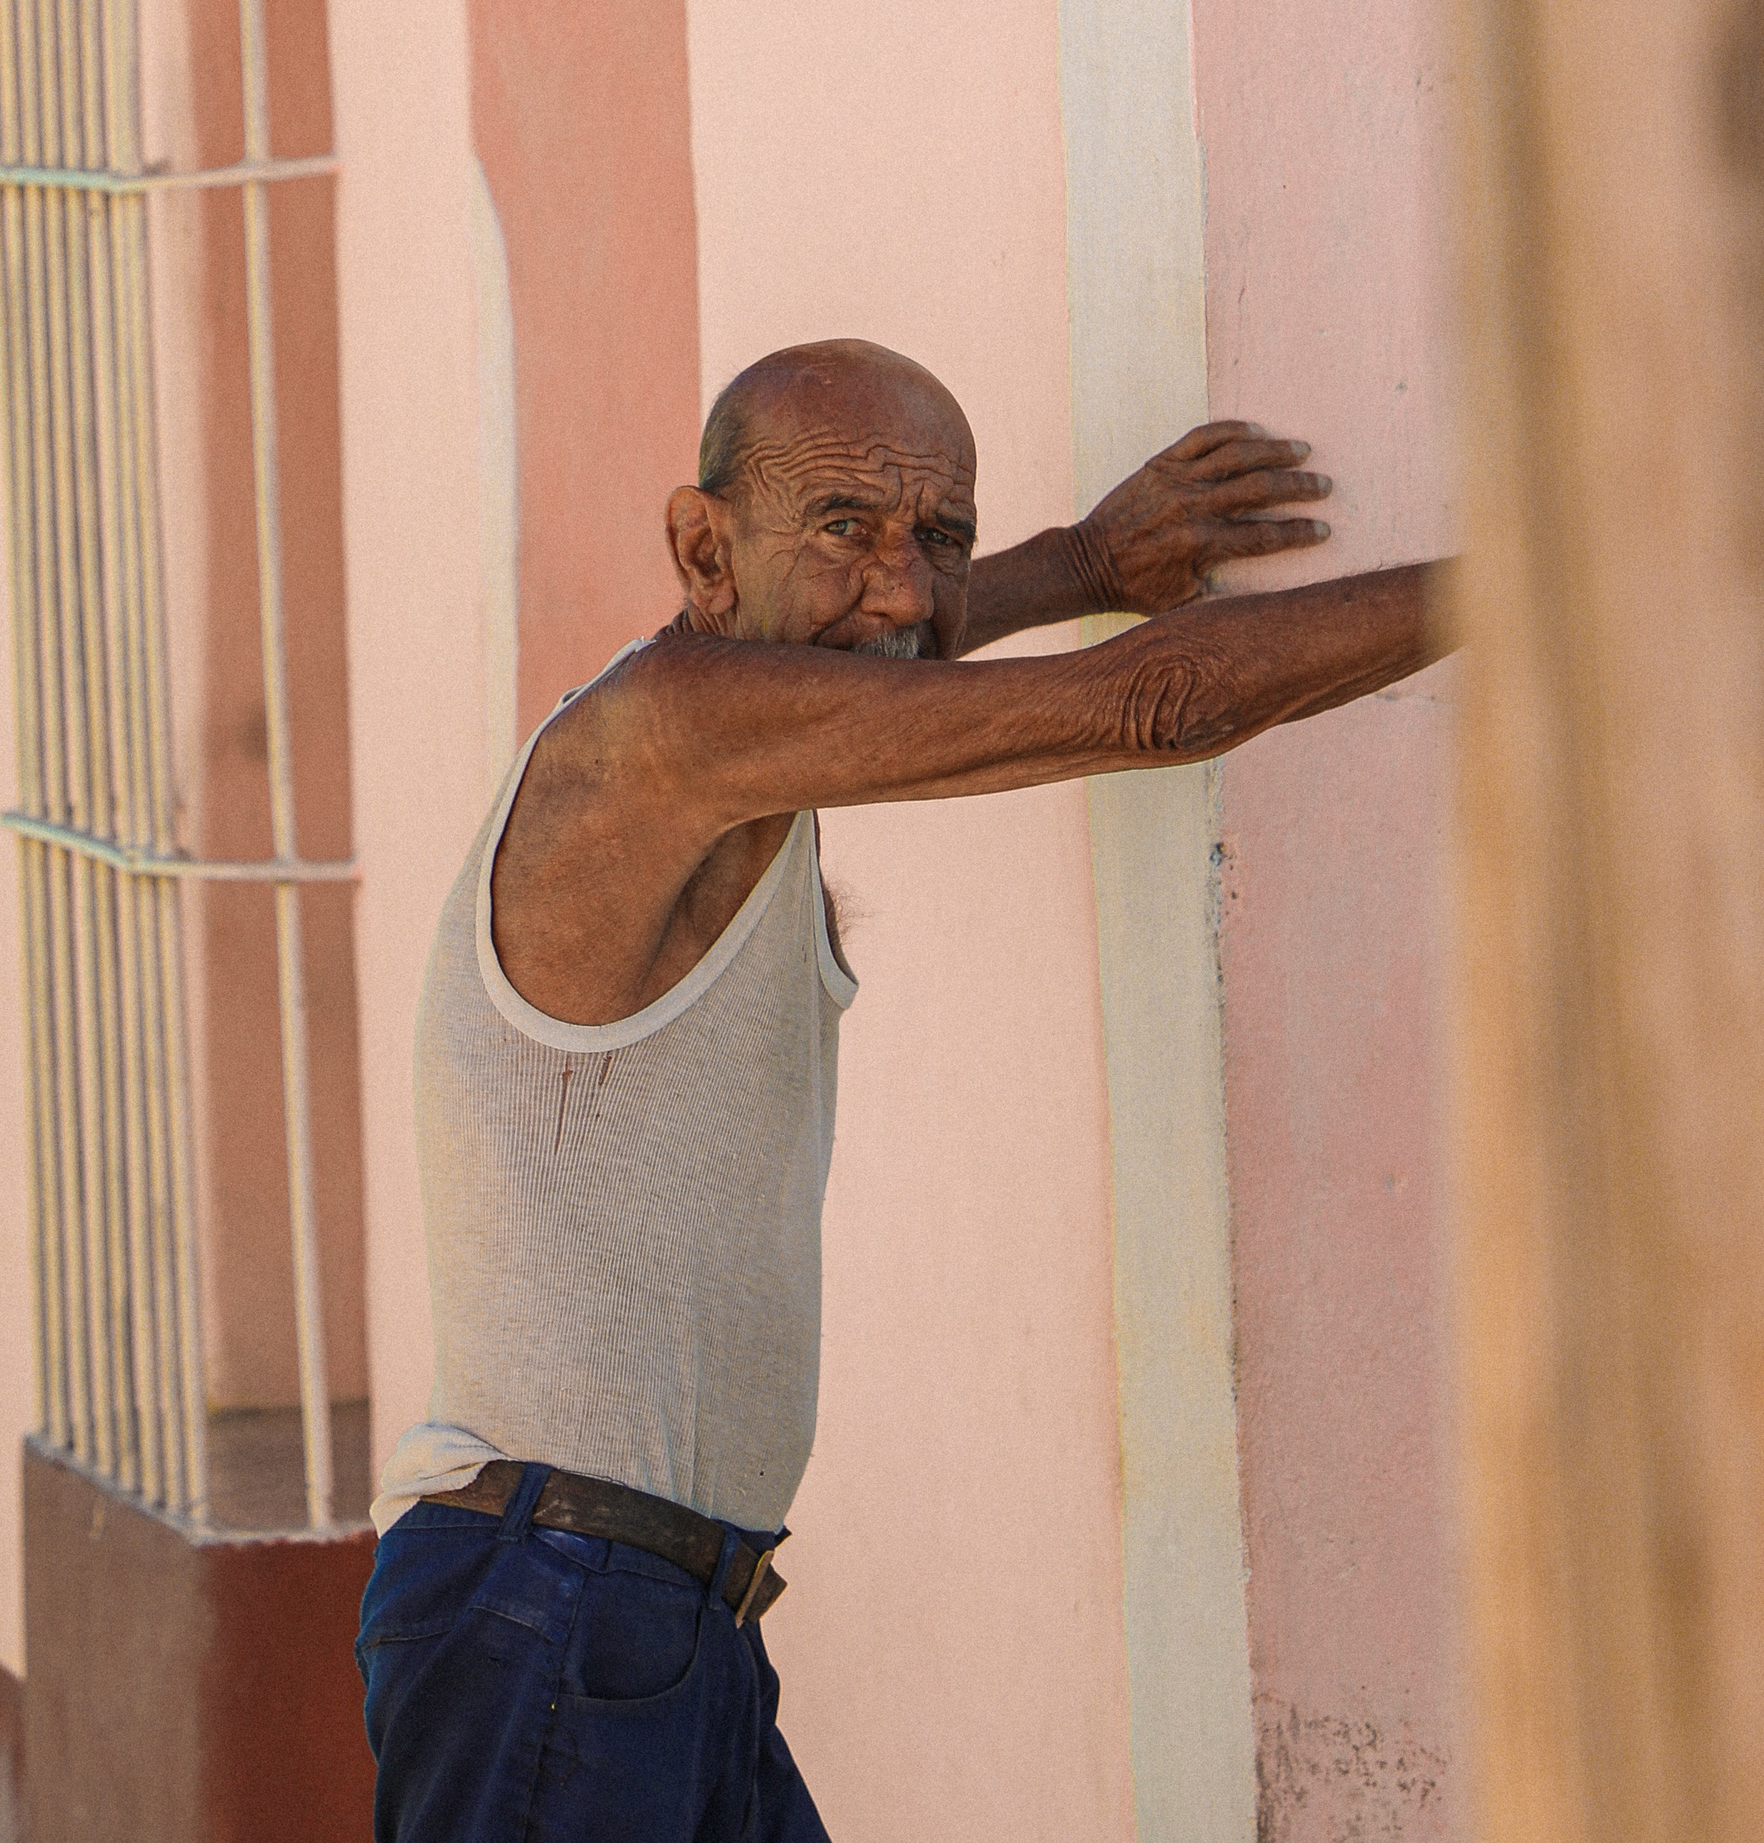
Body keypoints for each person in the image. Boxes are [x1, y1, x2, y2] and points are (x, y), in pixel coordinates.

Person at [354, 338, 1441, 1843]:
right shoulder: (667, 730)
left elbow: (899, 641)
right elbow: (1152, 703)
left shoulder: (745, 722)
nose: (907, 585)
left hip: (660, 1612)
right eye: (846, 528)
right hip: (551, 1606)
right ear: (700, 549)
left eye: (943, 537)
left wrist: (1083, 557)